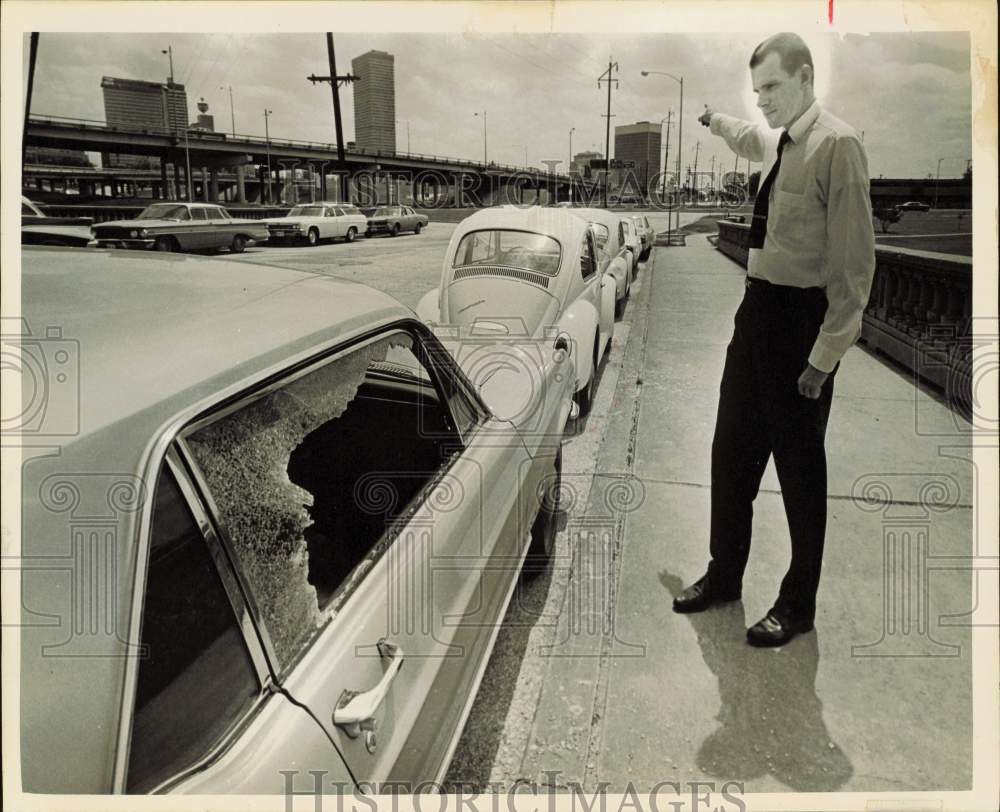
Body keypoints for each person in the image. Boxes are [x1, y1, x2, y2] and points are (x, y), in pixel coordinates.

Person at [673, 32, 876, 646]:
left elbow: (854, 270)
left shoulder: (837, 146)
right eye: (756, 90)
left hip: (801, 324)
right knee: (730, 453)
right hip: (756, 313)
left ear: (807, 78)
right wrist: (712, 118)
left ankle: (799, 602)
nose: (762, 101)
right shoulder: (780, 143)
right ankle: (725, 575)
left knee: (799, 473)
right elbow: (745, 135)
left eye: (773, 88)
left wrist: (822, 359)